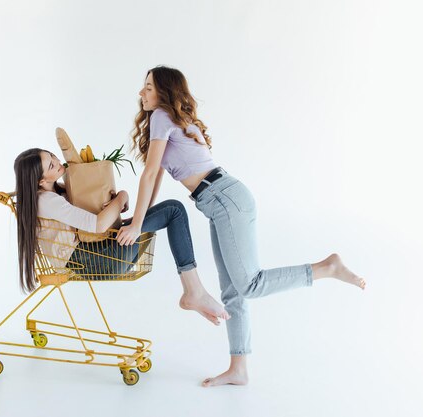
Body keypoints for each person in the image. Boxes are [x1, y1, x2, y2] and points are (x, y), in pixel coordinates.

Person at [116, 65, 366, 387]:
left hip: (224, 198)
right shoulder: (169, 121)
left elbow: (149, 175)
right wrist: (139, 219)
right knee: (233, 291)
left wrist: (137, 224)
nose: (142, 93)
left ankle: (326, 268)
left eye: (148, 87)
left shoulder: (161, 116)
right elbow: (156, 178)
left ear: (164, 92)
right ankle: (239, 368)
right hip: (220, 199)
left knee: (250, 284)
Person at [13, 148, 230, 325]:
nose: (57, 161)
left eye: (52, 156)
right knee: (173, 210)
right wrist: (120, 199)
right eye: (51, 165)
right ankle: (194, 291)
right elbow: (97, 224)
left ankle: (194, 292)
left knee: (171, 210)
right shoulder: (47, 201)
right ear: (40, 181)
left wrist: (121, 200)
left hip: (95, 253)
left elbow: (96, 220)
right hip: (98, 260)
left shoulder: (54, 193)